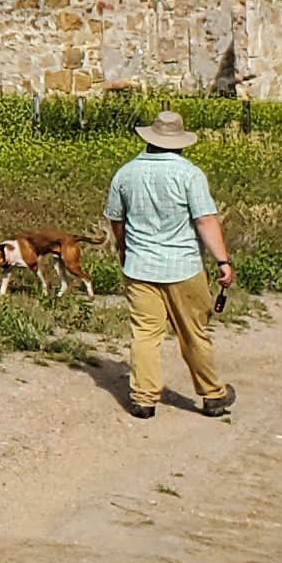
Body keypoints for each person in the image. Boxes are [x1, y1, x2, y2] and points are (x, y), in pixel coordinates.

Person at [102, 110, 236, 419]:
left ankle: (144, 398)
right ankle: (212, 395)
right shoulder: (189, 174)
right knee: (194, 333)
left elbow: (116, 219)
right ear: (179, 143)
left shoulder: (125, 173)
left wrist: (124, 249)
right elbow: (204, 220)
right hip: (183, 266)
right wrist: (223, 261)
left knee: (145, 334)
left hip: (140, 266)